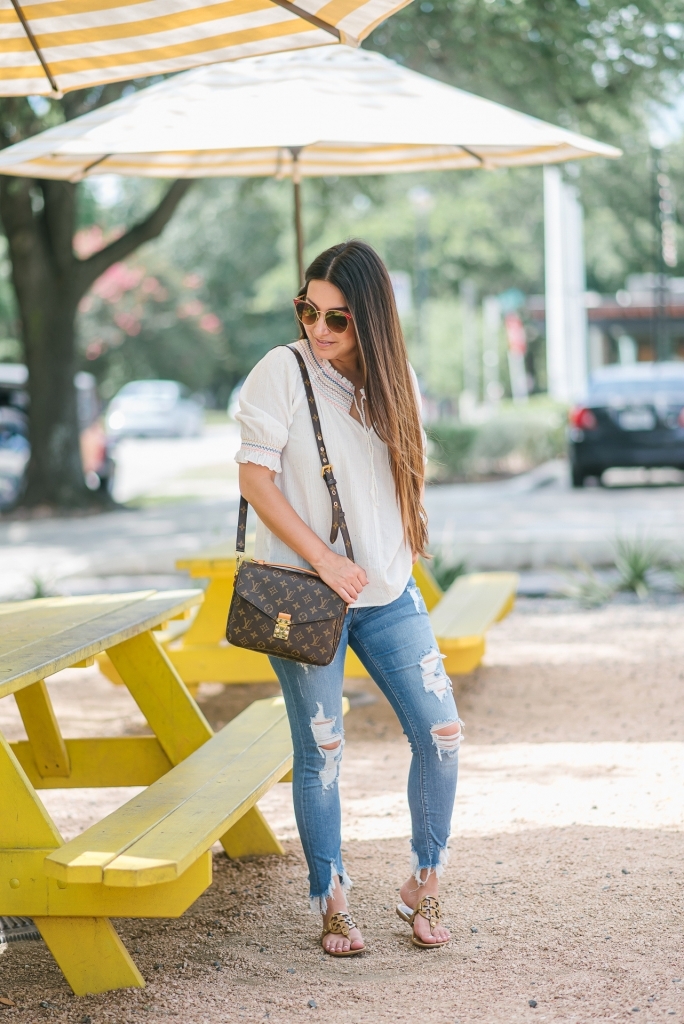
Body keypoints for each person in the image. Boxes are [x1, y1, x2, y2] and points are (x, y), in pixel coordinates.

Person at [235, 240, 463, 956]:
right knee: (323, 751)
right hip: (309, 593)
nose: (320, 329)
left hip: (390, 592)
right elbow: (255, 480)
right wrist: (326, 558)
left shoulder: (396, 381)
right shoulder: (283, 370)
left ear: (370, 319)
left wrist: (400, 544)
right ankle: (330, 897)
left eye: (338, 317)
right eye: (309, 310)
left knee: (441, 733)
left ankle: (423, 882)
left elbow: (401, 477)